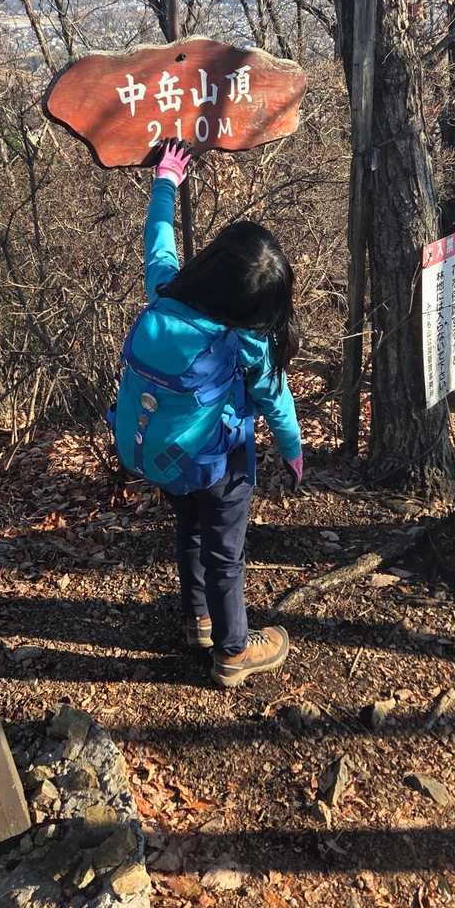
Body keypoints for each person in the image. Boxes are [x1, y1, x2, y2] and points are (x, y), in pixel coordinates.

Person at [111, 140, 303, 688]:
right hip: (223, 464)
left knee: (189, 531)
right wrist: (292, 451)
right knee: (226, 553)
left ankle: (198, 621)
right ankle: (233, 651)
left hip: (167, 456)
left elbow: (158, 239)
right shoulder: (245, 341)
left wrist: (166, 180)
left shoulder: (166, 294)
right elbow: (276, 400)